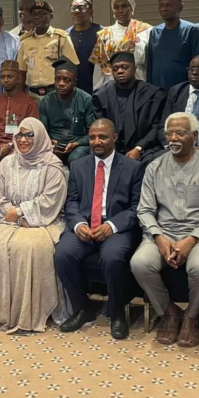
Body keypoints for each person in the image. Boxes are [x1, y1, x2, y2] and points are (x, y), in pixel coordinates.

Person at [131, 112, 199, 348]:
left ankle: (192, 317)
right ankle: (169, 313)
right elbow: (144, 210)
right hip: (163, 232)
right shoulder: (154, 167)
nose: (173, 138)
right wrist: (159, 237)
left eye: (180, 133)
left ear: (194, 136)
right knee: (140, 263)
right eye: (169, 133)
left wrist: (191, 239)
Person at [0, 118, 67, 333]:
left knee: (31, 248)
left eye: (29, 135)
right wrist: (16, 217)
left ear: (40, 136)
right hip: (9, 220)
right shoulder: (7, 162)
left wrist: (20, 212)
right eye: (19, 135)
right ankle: (2, 314)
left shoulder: (52, 165)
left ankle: (29, 314)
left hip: (45, 221)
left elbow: (51, 200)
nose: (23, 140)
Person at [55, 119, 144, 337]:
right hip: (85, 225)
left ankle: (117, 313)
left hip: (116, 227)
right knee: (62, 254)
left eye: (103, 137)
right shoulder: (77, 166)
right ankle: (82, 308)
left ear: (114, 138)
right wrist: (78, 224)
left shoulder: (133, 167)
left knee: (113, 258)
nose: (97, 141)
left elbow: (137, 208)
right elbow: (72, 202)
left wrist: (112, 226)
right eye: (93, 137)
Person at [92, 52, 166, 165]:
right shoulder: (102, 95)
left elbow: (156, 126)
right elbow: (100, 127)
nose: (120, 71)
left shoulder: (152, 94)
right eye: (115, 68)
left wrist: (139, 148)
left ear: (135, 69)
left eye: (125, 67)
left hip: (144, 150)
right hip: (110, 149)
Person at [146, 0, 199, 91]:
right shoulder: (154, 32)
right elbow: (150, 66)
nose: (164, 8)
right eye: (161, 5)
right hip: (158, 93)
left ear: (180, 7)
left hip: (183, 93)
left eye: (169, 5)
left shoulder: (192, 31)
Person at [17, 0, 79, 102]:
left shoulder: (61, 38)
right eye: (34, 14)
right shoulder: (24, 41)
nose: (37, 17)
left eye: (41, 13)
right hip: (32, 96)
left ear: (51, 16)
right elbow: (22, 72)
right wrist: (21, 97)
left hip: (56, 94)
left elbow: (72, 67)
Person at [0, 60, 39, 162]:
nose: (5, 80)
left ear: (18, 78)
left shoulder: (29, 103)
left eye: (10, 77)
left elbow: (31, 132)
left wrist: (10, 145)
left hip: (19, 147)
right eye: (2, 77)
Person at [90, 0, 152, 85]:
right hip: (112, 82)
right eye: (116, 7)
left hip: (139, 80)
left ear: (132, 8)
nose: (120, 11)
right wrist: (98, 92)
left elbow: (151, 62)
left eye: (124, 6)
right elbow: (99, 68)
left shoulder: (146, 31)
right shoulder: (105, 34)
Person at [39, 57, 94, 164]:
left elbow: (92, 133)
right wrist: (49, 141)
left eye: (66, 80)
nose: (61, 83)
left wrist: (76, 143)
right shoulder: (47, 100)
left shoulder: (86, 99)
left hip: (77, 145)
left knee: (75, 159)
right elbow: (42, 130)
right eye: (58, 79)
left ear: (74, 82)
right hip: (53, 145)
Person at [66, 0, 101, 95]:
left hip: (98, 89)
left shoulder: (102, 33)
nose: (76, 11)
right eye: (73, 8)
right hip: (72, 92)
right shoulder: (65, 36)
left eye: (81, 7)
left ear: (91, 11)